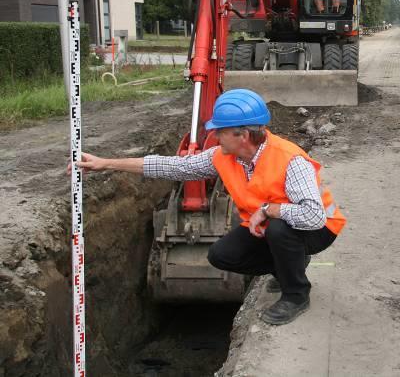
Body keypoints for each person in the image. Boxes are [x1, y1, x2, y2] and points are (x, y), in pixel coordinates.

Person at [71, 89, 346, 325]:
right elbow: (172, 166)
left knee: (279, 230)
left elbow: (313, 215)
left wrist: (268, 210)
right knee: (221, 255)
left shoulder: (289, 159)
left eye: (219, 131)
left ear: (243, 136)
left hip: (318, 229)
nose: (214, 136)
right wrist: (105, 163)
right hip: (271, 226)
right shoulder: (222, 156)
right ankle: (288, 266)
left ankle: (296, 295)